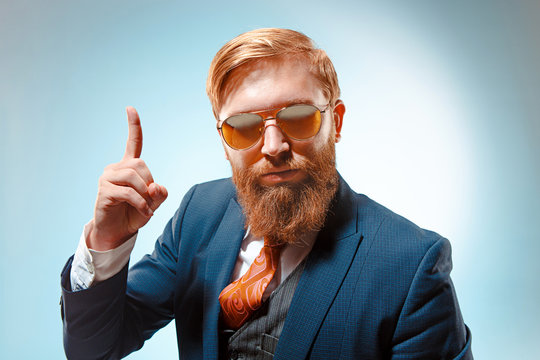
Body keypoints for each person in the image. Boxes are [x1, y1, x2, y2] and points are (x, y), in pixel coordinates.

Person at [60, 28, 472, 359]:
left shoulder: (411, 264)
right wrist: (107, 240)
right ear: (224, 143)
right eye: (243, 126)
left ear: (337, 122)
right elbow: (93, 350)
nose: (273, 146)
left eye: (298, 117)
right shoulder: (197, 215)